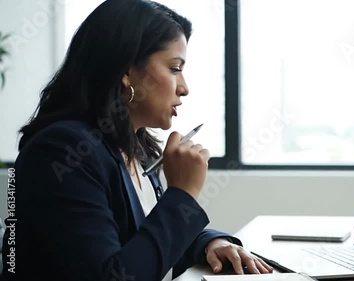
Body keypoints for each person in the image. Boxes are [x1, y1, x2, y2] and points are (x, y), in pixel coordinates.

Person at [1, 1, 273, 280]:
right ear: (127, 71)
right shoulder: (63, 151)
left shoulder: (132, 146)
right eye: (174, 68)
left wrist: (211, 243)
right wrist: (182, 194)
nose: (184, 88)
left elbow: (145, 242)